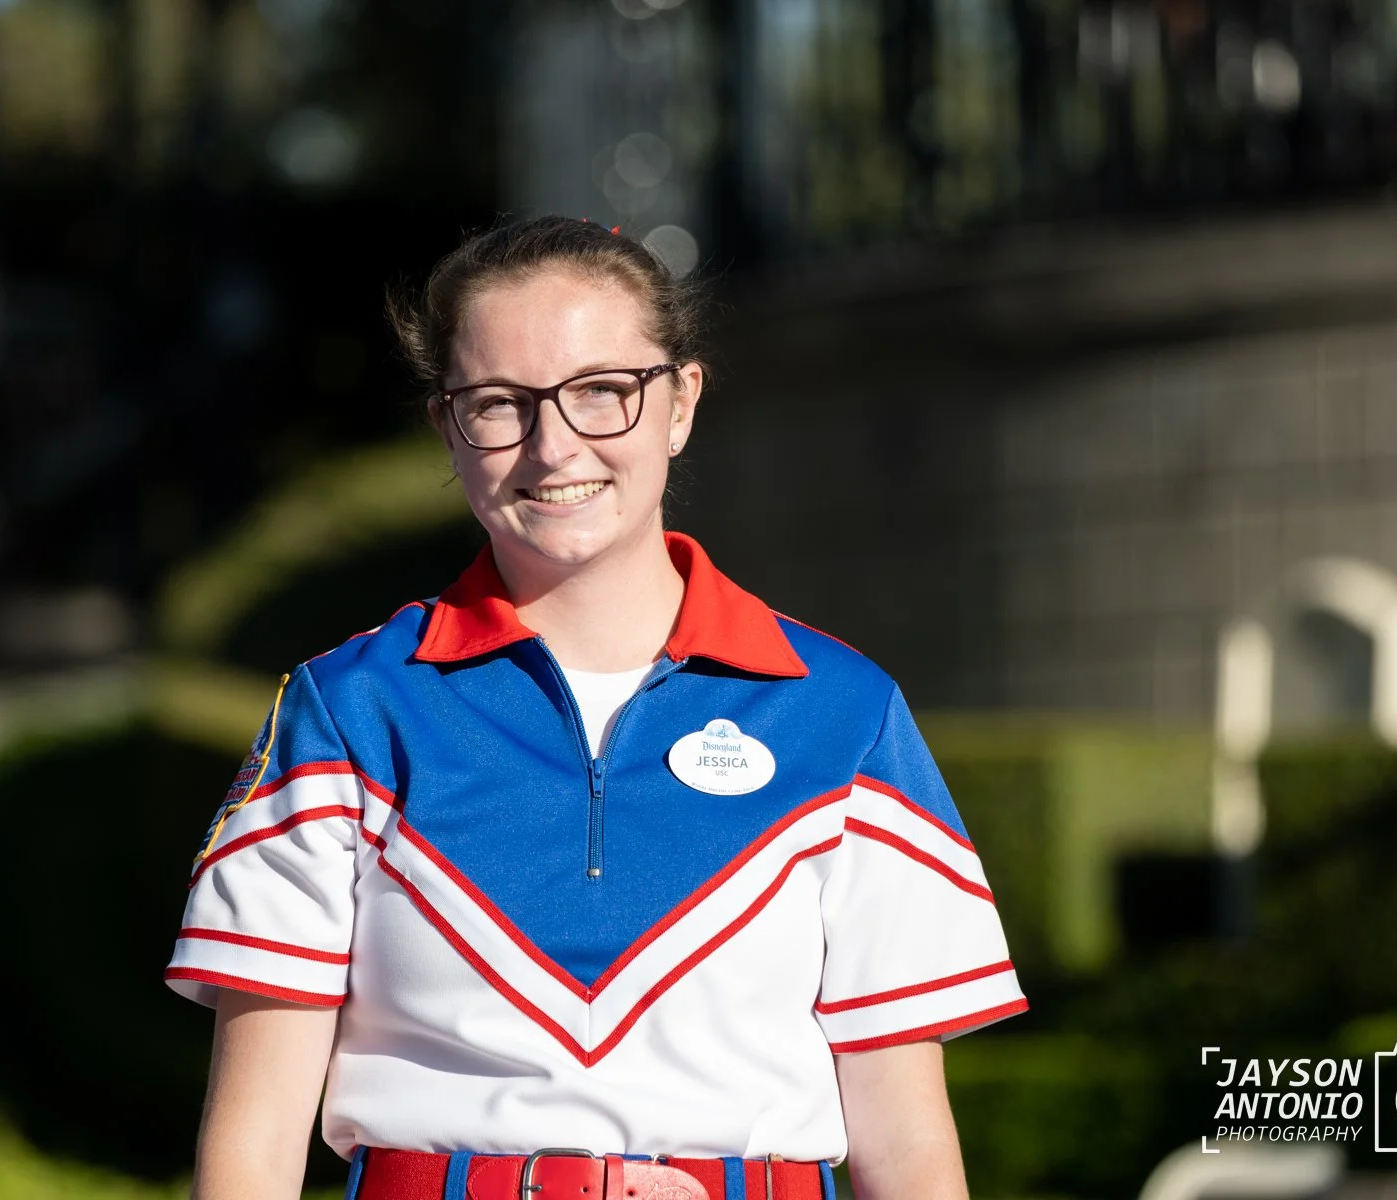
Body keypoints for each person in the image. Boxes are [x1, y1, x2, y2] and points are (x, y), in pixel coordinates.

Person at [166, 217, 1027, 1200]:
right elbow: (254, 1146)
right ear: (448, 426)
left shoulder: (842, 713)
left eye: (601, 391)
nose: (553, 445)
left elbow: (907, 1146)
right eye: (499, 404)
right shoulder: (347, 710)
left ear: (680, 402)